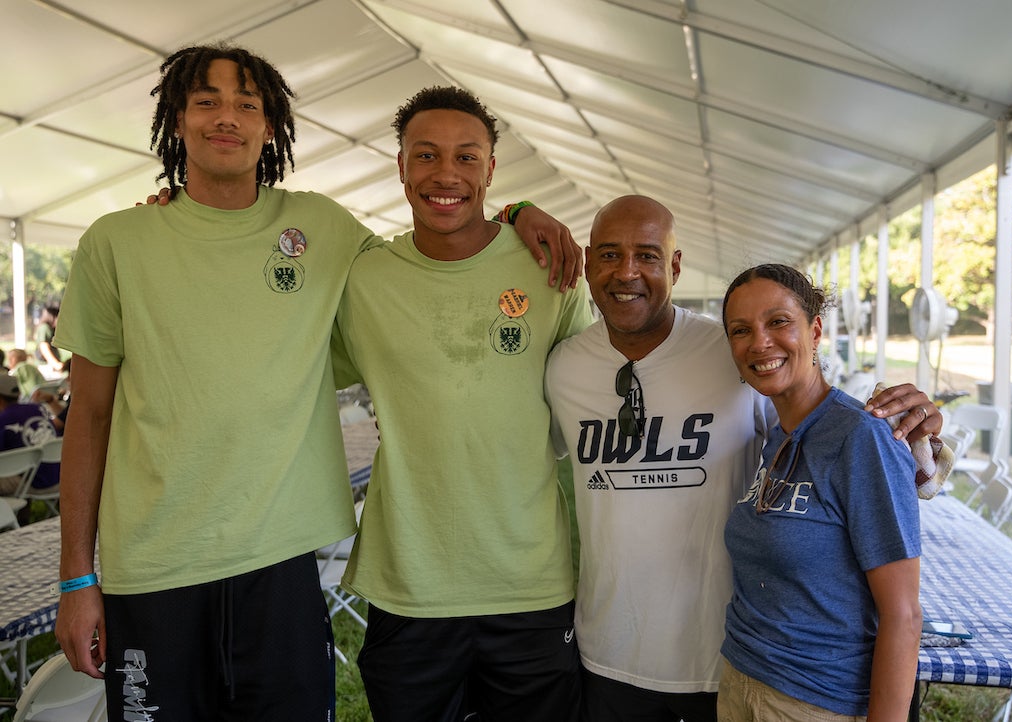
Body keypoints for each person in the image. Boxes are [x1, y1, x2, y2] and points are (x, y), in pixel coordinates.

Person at [52, 45, 579, 721]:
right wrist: (77, 576)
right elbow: (88, 418)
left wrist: (519, 213)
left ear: (271, 126)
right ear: (175, 118)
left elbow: (444, 238)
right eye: (207, 101)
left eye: (248, 104)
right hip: (153, 571)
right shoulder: (116, 241)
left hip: (281, 567)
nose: (227, 118)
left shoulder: (322, 228)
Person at [544, 196, 938, 722]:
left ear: (676, 265)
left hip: (720, 661)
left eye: (648, 255)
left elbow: (829, 429)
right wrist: (516, 213)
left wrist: (923, 440)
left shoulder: (725, 349)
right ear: (589, 262)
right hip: (611, 653)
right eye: (610, 255)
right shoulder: (564, 366)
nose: (628, 272)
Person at [330, 86, 595, 722]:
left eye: (467, 158)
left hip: (530, 581)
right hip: (411, 586)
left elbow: (588, 398)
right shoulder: (361, 279)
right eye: (425, 155)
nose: (445, 174)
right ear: (400, 166)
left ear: (492, 171)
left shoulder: (549, 270)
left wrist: (522, 212)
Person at [718, 263, 922, 721]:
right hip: (741, 680)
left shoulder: (860, 437)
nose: (760, 343)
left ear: (815, 331)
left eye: (778, 322)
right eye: (740, 330)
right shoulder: (776, 435)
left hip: (815, 700)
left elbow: (904, 616)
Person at [0, 374, 59, 523]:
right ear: (19, 394)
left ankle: (11, 519)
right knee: (26, 463)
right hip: (60, 477)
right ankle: (22, 516)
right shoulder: (38, 408)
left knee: (13, 466)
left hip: (35, 484)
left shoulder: (3, 419)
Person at [35, 305, 65, 373]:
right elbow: (44, 347)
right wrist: (56, 364)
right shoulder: (45, 328)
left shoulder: (50, 329)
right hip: (46, 367)